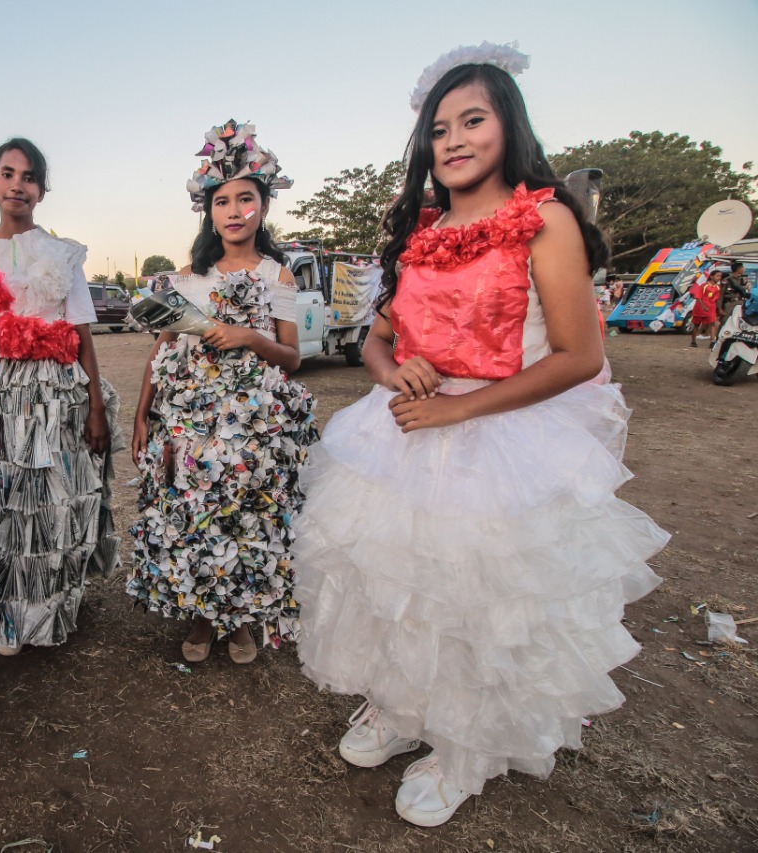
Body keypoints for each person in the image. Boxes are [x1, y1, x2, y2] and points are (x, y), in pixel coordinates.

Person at [291, 45, 669, 828]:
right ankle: (398, 709)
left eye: (473, 120)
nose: (454, 139)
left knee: (477, 603)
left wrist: (459, 410)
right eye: (440, 128)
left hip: (500, 438)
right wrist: (394, 373)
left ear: (509, 126)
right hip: (406, 434)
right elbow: (377, 338)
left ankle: (464, 748)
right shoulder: (424, 230)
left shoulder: (546, 219)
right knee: (397, 589)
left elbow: (580, 355)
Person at [127, 120, 316, 664]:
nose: (233, 211)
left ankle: (242, 622)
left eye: (245, 199)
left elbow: (292, 357)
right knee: (194, 514)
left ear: (263, 206)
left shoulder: (279, 277)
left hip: (253, 426)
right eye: (222, 202)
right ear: (208, 212)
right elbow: (160, 351)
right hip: (189, 423)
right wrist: (142, 416)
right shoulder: (185, 277)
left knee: (244, 515)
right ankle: (203, 618)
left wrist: (250, 338)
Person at [0, 137, 121, 654]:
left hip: (53, 396)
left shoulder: (63, 255)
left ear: (42, 190)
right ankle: (1, 620)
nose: (17, 184)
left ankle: (47, 608)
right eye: (8, 173)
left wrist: (94, 409)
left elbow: (82, 332)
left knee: (51, 502)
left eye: (29, 176)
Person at [689, 269, 722, 347]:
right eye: (717, 276)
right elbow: (698, 297)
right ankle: (693, 341)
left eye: (720, 276)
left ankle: (712, 341)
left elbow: (716, 299)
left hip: (711, 308)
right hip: (700, 308)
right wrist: (703, 306)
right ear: (711, 276)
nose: (719, 278)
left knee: (712, 324)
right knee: (696, 324)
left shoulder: (718, 287)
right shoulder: (704, 286)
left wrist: (717, 308)